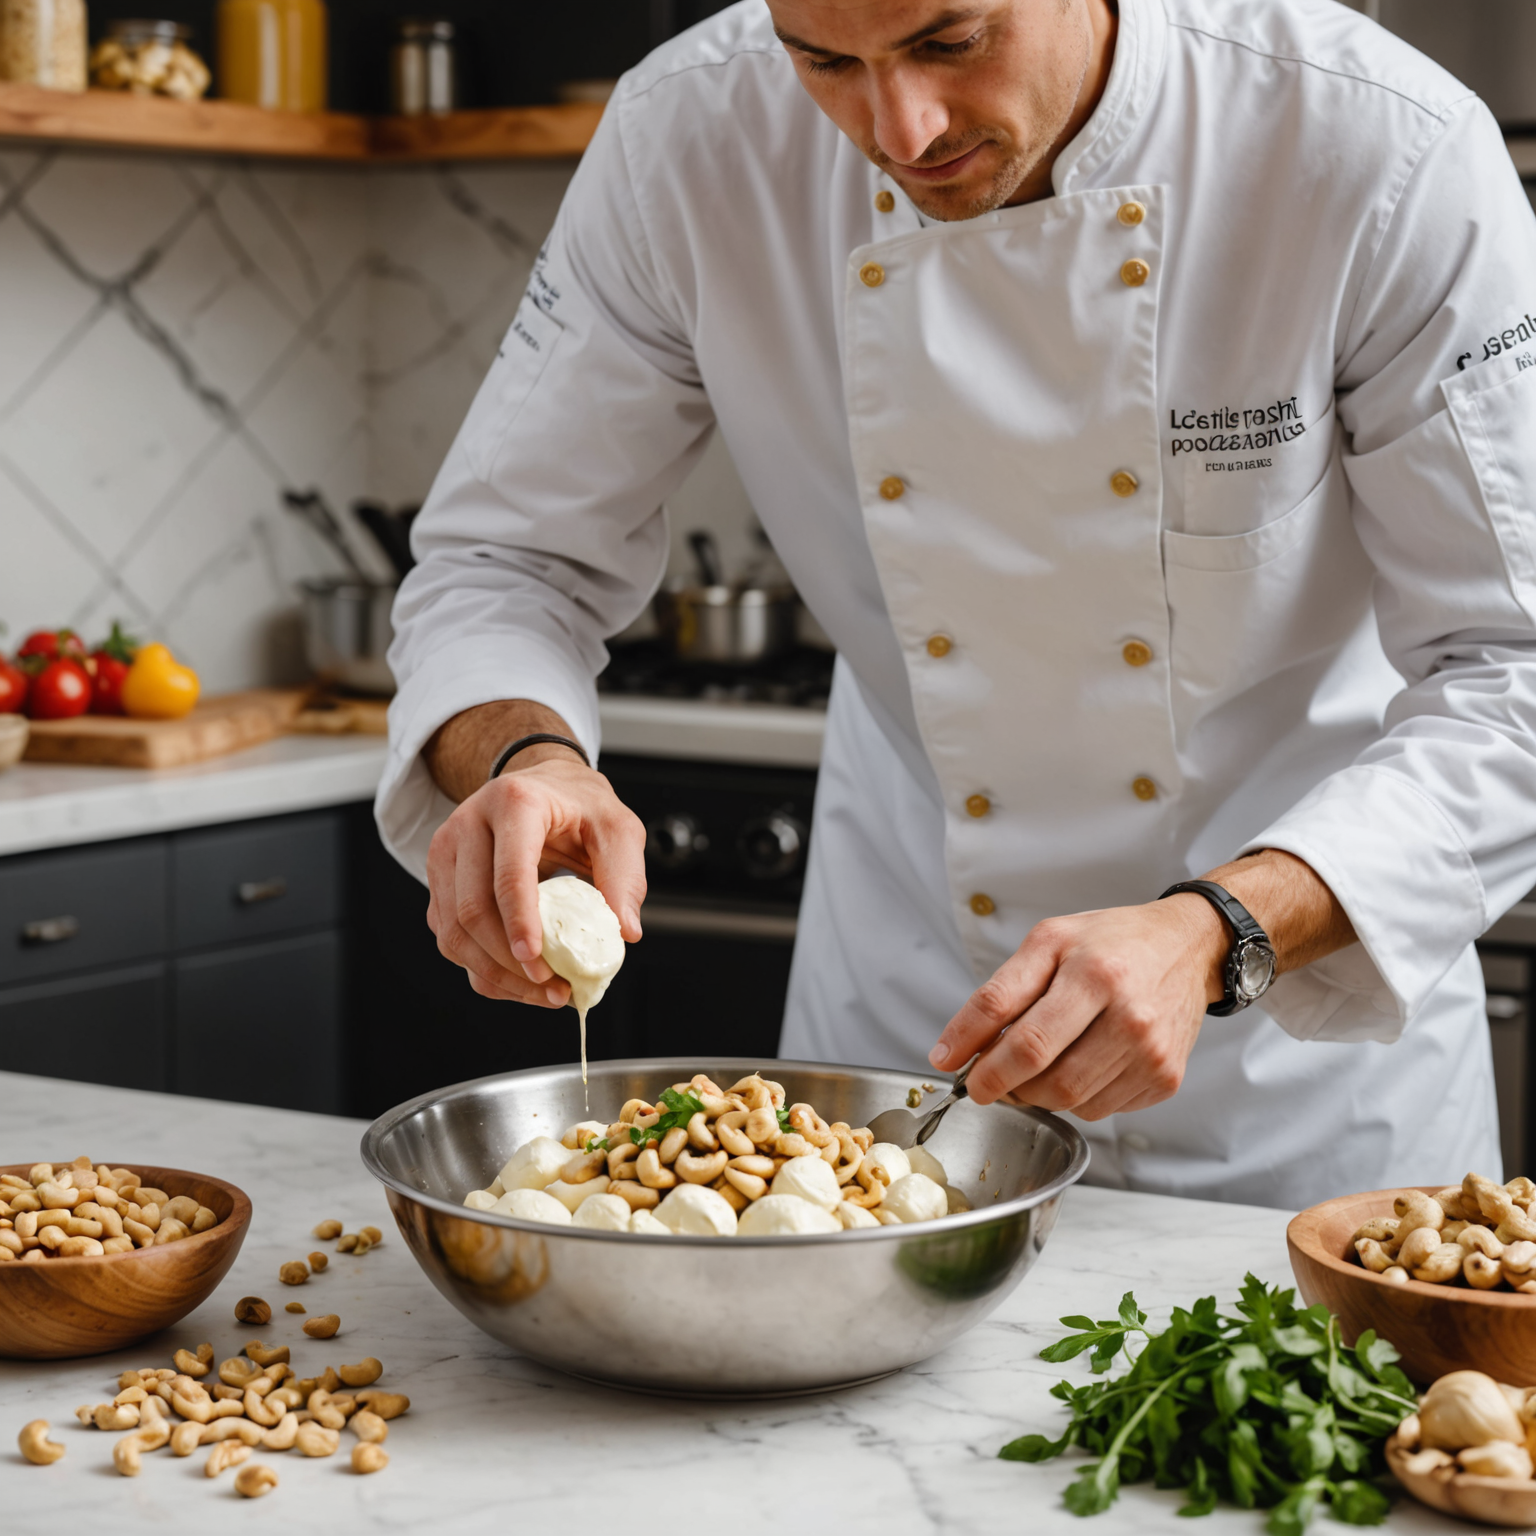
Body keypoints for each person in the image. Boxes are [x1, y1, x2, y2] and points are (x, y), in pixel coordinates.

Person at [378, 0, 1536, 1209]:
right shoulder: (688, 136)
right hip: (903, 1059)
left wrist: (1217, 935)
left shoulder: (1376, 149)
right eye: (824, 60)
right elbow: (506, 560)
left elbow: (1515, 669)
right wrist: (528, 755)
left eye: (951, 41)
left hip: (1301, 1080)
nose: (902, 128)